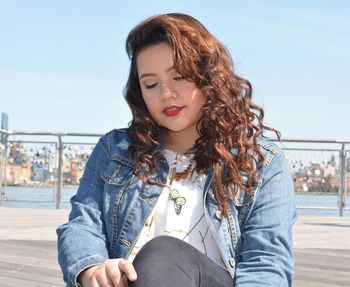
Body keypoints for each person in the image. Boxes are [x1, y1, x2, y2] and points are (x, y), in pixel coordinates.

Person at [57, 13, 296, 287]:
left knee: (163, 255)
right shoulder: (116, 150)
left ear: (209, 76)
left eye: (179, 76)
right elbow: (81, 225)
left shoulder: (261, 163)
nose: (166, 93)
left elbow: (266, 265)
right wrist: (92, 270)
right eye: (151, 84)